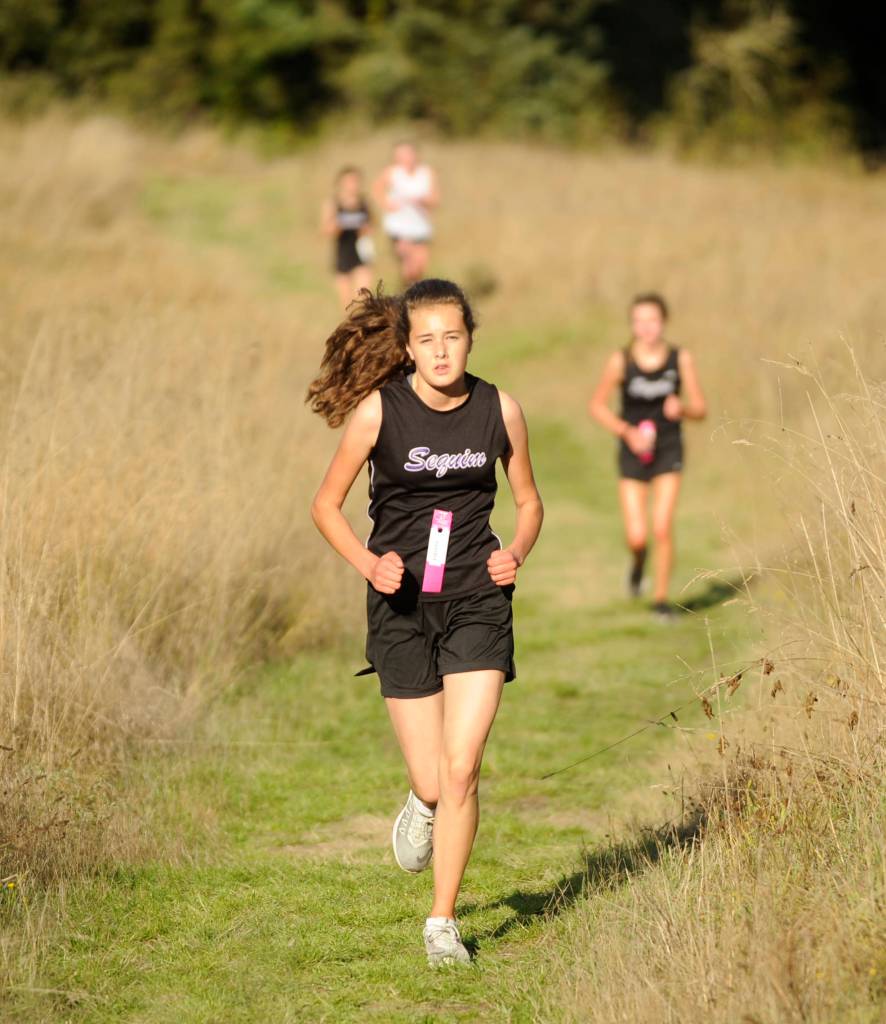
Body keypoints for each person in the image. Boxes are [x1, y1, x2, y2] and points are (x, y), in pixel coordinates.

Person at [307, 279, 543, 966]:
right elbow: (326, 505)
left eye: (454, 337)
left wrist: (516, 552)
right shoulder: (379, 414)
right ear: (407, 348)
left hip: (476, 599)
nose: (442, 352)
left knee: (464, 767)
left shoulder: (501, 409)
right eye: (428, 340)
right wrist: (367, 563)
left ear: (471, 337)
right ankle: (420, 800)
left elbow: (528, 503)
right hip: (402, 605)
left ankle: (442, 922)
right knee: (437, 781)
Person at [588, 293, 707, 619]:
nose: (646, 328)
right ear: (632, 325)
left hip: (668, 449)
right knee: (637, 537)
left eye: (652, 320)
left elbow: (700, 409)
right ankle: (638, 566)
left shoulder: (680, 359)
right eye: (639, 321)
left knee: (662, 527)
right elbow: (597, 406)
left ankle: (660, 600)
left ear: (663, 322)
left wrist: (681, 408)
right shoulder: (621, 360)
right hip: (633, 452)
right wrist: (627, 432)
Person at [372, 142, 439, 286]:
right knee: (410, 265)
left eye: (409, 154)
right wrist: (386, 204)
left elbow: (435, 199)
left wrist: (423, 201)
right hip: (399, 226)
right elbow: (376, 189)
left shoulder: (426, 172)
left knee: (421, 267)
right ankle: (409, 296)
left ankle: (410, 292)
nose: (406, 158)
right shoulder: (392, 172)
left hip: (421, 226)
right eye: (401, 155)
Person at [321, 166, 374, 309]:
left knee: (363, 300)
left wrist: (364, 228)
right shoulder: (333, 203)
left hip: (361, 253)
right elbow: (326, 230)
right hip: (342, 254)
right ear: (340, 184)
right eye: (349, 181)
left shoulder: (364, 202)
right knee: (347, 305)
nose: (353, 185)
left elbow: (372, 226)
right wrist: (338, 225)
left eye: (355, 181)